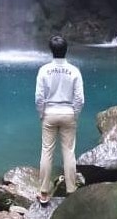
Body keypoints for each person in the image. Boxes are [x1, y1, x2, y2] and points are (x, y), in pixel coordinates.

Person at [34, 35, 84, 206]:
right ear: (66, 50)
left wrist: (42, 113)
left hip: (50, 113)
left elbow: (39, 97)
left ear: (51, 50)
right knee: (69, 152)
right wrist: (74, 114)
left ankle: (44, 193)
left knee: (46, 152)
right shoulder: (74, 71)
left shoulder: (44, 70)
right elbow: (80, 99)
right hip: (68, 112)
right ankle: (71, 191)